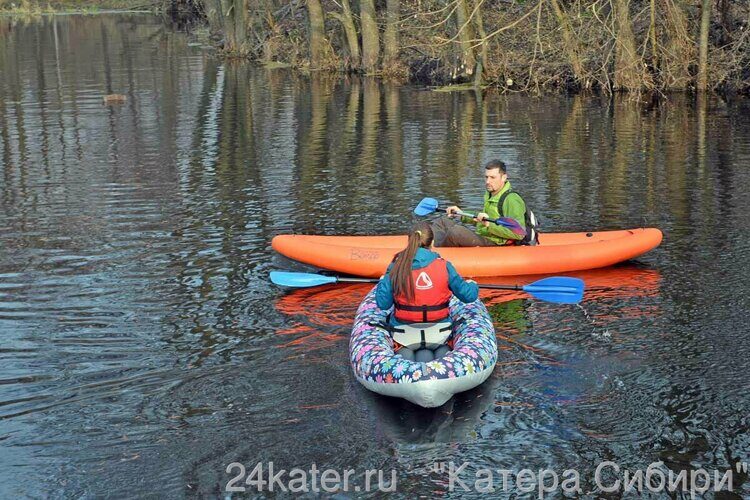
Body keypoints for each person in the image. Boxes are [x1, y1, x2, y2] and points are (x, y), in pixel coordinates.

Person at [375, 222, 479, 362]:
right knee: (441, 351)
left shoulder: (395, 266)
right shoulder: (444, 265)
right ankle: (445, 357)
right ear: (433, 242)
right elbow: (469, 296)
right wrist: (473, 284)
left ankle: (404, 361)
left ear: (410, 240)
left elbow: (383, 304)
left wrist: (383, 281)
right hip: (439, 334)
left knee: (406, 354)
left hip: (404, 335)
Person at [432, 159, 537, 247]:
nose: (488, 181)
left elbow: (519, 234)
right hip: (483, 235)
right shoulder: (490, 193)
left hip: (495, 243)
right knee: (441, 222)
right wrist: (460, 214)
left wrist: (489, 225)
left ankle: (434, 257)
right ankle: (429, 249)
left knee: (455, 232)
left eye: (492, 177)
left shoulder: (512, 200)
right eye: (486, 177)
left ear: (504, 177)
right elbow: (481, 219)